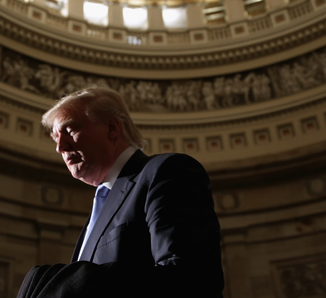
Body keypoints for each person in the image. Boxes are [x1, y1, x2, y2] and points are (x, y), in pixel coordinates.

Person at [17, 87, 224, 298]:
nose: (60, 147)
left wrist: (74, 282)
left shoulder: (166, 171)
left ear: (112, 128)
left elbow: (193, 280)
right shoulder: (100, 206)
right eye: (55, 138)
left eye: (70, 130)